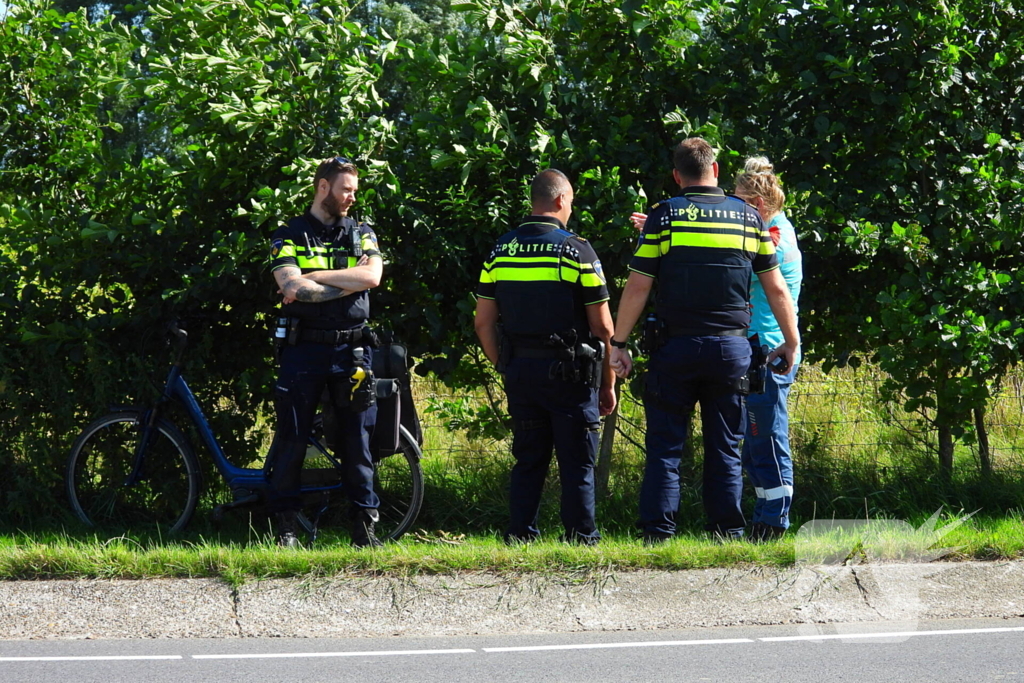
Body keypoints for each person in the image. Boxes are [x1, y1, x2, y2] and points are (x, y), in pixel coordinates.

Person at [609, 138, 799, 542]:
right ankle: (726, 532)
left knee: (664, 447)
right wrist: (791, 341)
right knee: (726, 448)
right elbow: (778, 289)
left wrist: (618, 343)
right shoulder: (749, 219)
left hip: (674, 348)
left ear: (678, 177)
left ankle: (659, 535)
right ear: (714, 171)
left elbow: (639, 286)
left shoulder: (664, 216)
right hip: (732, 350)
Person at [474, 169, 616, 546]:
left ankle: (520, 535)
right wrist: (608, 382)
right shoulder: (577, 249)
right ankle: (581, 539)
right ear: (559, 200)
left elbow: (483, 323)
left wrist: (504, 364)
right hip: (571, 375)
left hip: (521, 371)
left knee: (528, 460)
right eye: (570, 201)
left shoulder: (500, 249)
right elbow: (602, 327)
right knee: (577, 462)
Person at [266, 156, 384, 548]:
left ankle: (364, 529)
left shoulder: (363, 232)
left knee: (358, 442)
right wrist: (348, 284)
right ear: (322, 188)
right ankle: (285, 529)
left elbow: (373, 276)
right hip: (304, 352)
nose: (351, 197)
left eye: (353, 190)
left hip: (353, 352)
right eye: (345, 189)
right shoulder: (289, 234)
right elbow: (293, 289)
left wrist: (315, 276)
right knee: (292, 438)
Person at [734, 156, 802, 541]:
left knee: (768, 439)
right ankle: (764, 518)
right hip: (763, 348)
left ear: (757, 206)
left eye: (739, 202)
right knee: (755, 443)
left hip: (769, 352)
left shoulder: (772, 238)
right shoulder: (776, 228)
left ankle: (774, 523)